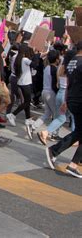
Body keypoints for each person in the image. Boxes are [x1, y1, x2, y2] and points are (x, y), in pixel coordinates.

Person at [45, 41, 82, 178]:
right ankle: (73, 165)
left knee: (78, 132)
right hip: (79, 100)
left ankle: (54, 151)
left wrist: (67, 100)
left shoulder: (72, 62)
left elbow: (69, 82)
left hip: (72, 98)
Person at [6, 43, 37, 138]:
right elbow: (35, 65)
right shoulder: (25, 59)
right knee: (27, 102)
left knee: (26, 101)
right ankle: (13, 114)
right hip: (26, 83)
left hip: (20, 82)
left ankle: (28, 118)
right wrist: (35, 54)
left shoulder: (16, 57)